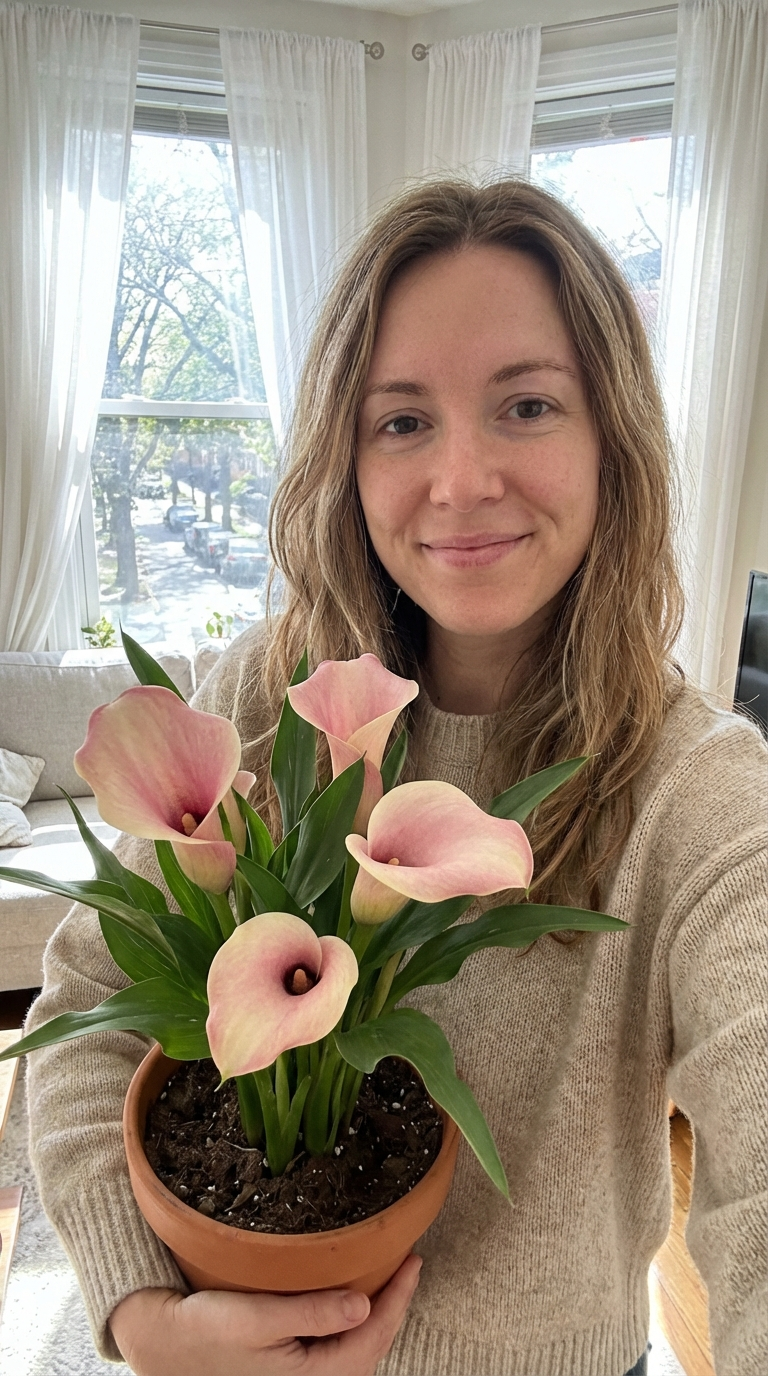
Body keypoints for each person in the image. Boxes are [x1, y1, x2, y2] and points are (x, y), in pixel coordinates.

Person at [24, 180, 766, 1376]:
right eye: (404, 419)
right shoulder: (260, 698)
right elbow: (86, 1010)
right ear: (347, 454)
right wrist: (143, 1314)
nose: (460, 481)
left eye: (528, 404)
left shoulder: (701, 789)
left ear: (612, 437)